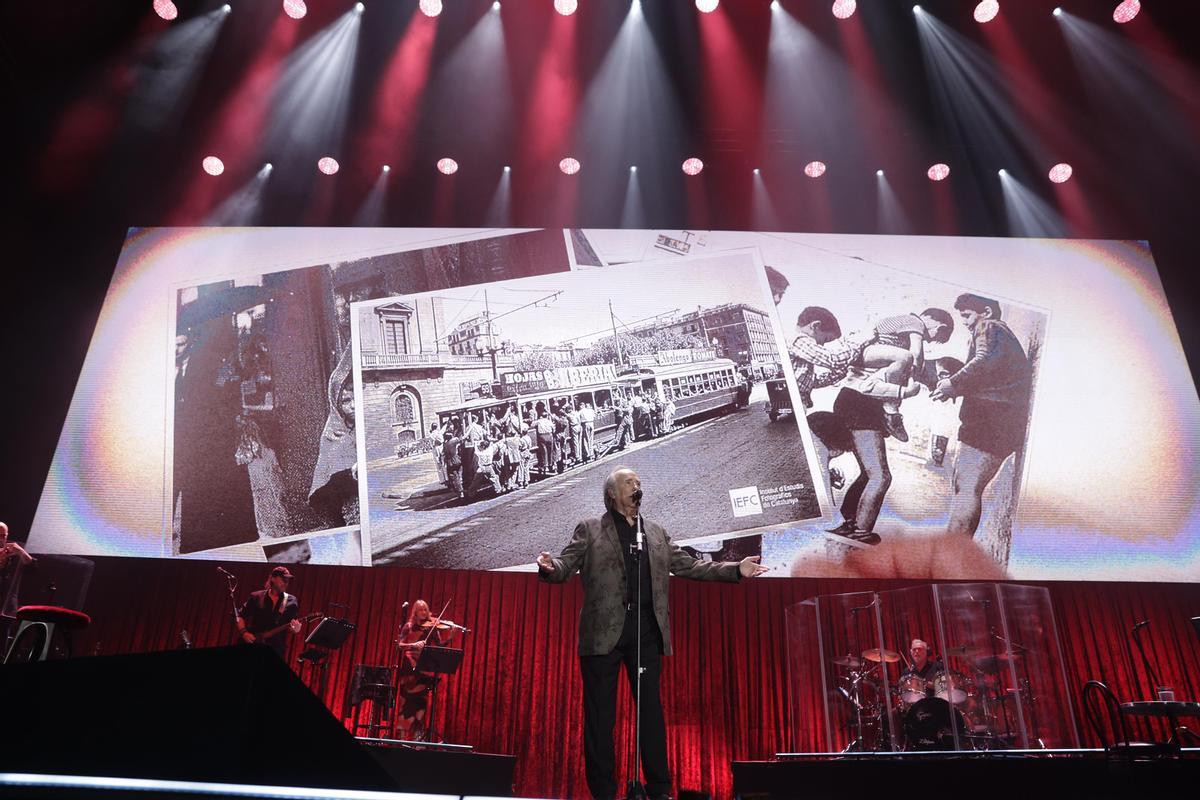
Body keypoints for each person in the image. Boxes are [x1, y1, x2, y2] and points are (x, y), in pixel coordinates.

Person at [537, 468, 769, 800]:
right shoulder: (590, 529)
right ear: (613, 494)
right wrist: (549, 567)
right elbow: (564, 564)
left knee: (650, 713)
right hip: (603, 634)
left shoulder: (656, 533)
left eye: (639, 483)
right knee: (600, 719)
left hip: (646, 632)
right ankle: (603, 792)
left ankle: (659, 789)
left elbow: (690, 566)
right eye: (630, 483)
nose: (637, 487)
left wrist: (735, 569)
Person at [931, 294, 1032, 538]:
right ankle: (951, 551)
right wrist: (956, 387)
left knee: (967, 488)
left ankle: (951, 555)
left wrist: (952, 384)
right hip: (991, 418)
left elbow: (984, 360)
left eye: (966, 315)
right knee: (964, 487)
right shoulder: (999, 335)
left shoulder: (989, 326)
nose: (965, 322)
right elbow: (991, 370)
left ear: (985, 311)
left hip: (991, 418)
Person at [851, 309, 955, 442]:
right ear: (940, 328)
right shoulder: (915, 322)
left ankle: (889, 410)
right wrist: (913, 378)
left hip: (873, 357)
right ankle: (891, 410)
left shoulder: (907, 327)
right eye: (934, 339)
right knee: (906, 358)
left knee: (904, 363)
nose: (928, 342)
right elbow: (917, 353)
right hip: (867, 353)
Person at [395, 599, 455, 740]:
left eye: (425, 610)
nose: (423, 612)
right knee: (405, 705)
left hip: (424, 669)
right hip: (409, 668)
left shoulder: (432, 629)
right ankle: (401, 740)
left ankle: (418, 740)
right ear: (415, 611)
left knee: (421, 705)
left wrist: (450, 637)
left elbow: (439, 647)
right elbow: (399, 645)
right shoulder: (408, 626)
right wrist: (414, 645)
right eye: (420, 610)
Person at [236, 566, 302, 659]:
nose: (286, 583)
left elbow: (293, 625)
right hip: (253, 642)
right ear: (273, 578)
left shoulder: (292, 601)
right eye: (283, 579)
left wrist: (296, 629)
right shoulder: (256, 596)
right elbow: (240, 616)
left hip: (276, 648)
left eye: (287, 580)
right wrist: (244, 633)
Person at [0, 522, 34, 648]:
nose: (1, 539)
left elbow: (33, 569)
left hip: (5, 608)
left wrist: (20, 551)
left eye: (3, 535)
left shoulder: (13, 552)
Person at [442, 421, 464, 499]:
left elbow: (443, 454)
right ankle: (461, 490)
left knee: (454, 476)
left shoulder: (445, 445)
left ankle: (458, 489)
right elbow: (462, 438)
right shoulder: (452, 441)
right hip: (456, 460)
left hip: (449, 462)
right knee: (458, 475)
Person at [535, 410, 557, 476]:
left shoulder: (539, 421)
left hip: (542, 436)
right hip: (549, 435)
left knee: (544, 451)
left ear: (541, 416)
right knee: (550, 451)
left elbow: (532, 424)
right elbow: (553, 429)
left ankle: (545, 465)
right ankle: (551, 464)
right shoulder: (549, 421)